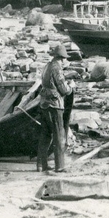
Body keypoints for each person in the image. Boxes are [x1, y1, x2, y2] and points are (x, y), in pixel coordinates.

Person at [37, 44, 75, 172]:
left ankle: (41, 165)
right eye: (64, 58)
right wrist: (71, 87)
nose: (65, 61)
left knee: (45, 135)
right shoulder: (57, 68)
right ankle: (60, 166)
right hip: (54, 105)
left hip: (44, 103)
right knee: (59, 135)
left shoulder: (47, 66)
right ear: (62, 58)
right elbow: (64, 90)